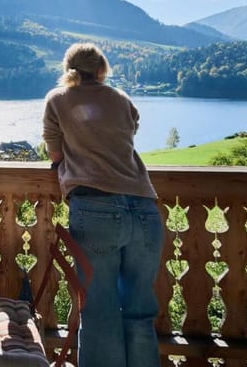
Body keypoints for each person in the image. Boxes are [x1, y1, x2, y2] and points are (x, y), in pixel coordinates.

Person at [42, 42, 163, 367]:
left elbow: (55, 153)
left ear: (68, 68)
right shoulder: (121, 99)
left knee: (99, 312)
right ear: (101, 69)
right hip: (144, 208)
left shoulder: (57, 100)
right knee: (140, 312)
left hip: (96, 209)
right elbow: (129, 133)